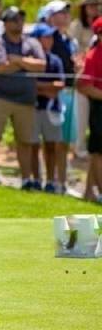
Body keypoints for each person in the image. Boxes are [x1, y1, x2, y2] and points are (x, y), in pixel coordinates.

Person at [0, 6, 46, 190]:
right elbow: (1, 68)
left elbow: (41, 66)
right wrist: (27, 63)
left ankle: (26, 180)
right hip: (1, 97)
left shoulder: (32, 43)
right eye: (15, 19)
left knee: (25, 141)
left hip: (26, 100)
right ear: (6, 23)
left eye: (21, 19)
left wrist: (17, 60)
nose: (19, 22)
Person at [44, 0, 77, 194]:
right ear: (50, 17)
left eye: (66, 13)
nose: (65, 16)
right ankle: (53, 180)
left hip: (70, 93)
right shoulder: (49, 39)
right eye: (60, 13)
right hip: (54, 95)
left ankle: (62, 183)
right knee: (54, 141)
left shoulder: (69, 40)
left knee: (64, 142)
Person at [29, 23, 64, 193]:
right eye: (46, 37)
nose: (50, 40)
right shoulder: (30, 60)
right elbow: (30, 85)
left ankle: (50, 181)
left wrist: (40, 87)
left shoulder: (55, 60)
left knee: (51, 146)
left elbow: (60, 84)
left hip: (51, 109)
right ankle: (36, 179)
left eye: (51, 37)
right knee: (33, 146)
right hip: (33, 108)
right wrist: (47, 88)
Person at [68, 0, 100, 161]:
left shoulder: (99, 24)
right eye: (90, 5)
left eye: (96, 4)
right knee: (81, 115)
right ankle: (79, 149)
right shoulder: (76, 26)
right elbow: (73, 50)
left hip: (97, 74)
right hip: (83, 73)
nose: (94, 8)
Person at [77, 16, 102, 204]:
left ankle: (88, 191)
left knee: (97, 151)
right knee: (98, 151)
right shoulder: (94, 56)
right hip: (99, 107)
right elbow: (84, 86)